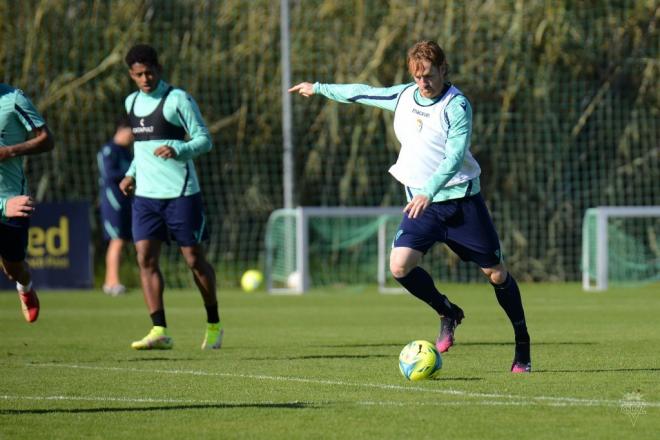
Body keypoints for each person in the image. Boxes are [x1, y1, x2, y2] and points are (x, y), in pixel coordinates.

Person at [289, 40, 531, 373]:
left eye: (429, 75)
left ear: (443, 69)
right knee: (399, 266)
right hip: (423, 207)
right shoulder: (404, 96)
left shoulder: (456, 105)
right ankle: (447, 312)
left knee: (497, 274)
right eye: (417, 77)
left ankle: (522, 346)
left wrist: (429, 191)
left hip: (461, 204)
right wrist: (318, 88)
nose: (423, 83)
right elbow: (363, 92)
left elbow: (455, 156)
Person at [119, 44, 222, 350]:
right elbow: (142, 148)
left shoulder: (177, 99)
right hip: (146, 198)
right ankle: (158, 329)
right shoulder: (131, 103)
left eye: (149, 72)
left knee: (193, 260)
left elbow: (204, 140)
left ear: (158, 69)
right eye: (139, 74)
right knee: (145, 259)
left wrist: (179, 149)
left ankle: (214, 322)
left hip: (181, 194)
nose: (145, 78)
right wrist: (131, 174)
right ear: (131, 75)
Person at [0, 83, 55, 323]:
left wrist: (10, 151)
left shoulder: (14, 100)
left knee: (14, 268)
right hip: (4, 206)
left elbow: (46, 140)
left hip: (13, 202)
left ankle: (25, 287)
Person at [97, 116, 134, 296]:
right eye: (131, 133)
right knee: (116, 240)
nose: (132, 137)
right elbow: (109, 174)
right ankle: (111, 282)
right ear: (122, 129)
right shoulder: (108, 150)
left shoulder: (127, 152)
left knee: (122, 240)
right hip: (112, 202)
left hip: (126, 202)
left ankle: (111, 282)